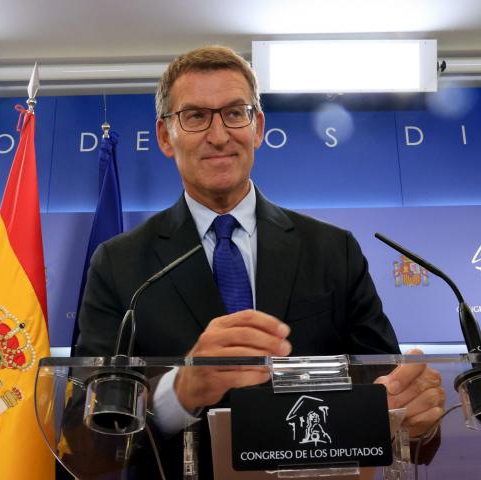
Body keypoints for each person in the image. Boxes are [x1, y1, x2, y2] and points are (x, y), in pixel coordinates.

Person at [75, 45, 445, 478]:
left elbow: (393, 399)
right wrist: (181, 390)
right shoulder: (119, 264)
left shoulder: (332, 250)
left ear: (258, 128)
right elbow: (86, 440)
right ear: (164, 136)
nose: (218, 135)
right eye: (195, 116)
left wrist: (415, 415)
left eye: (235, 113)